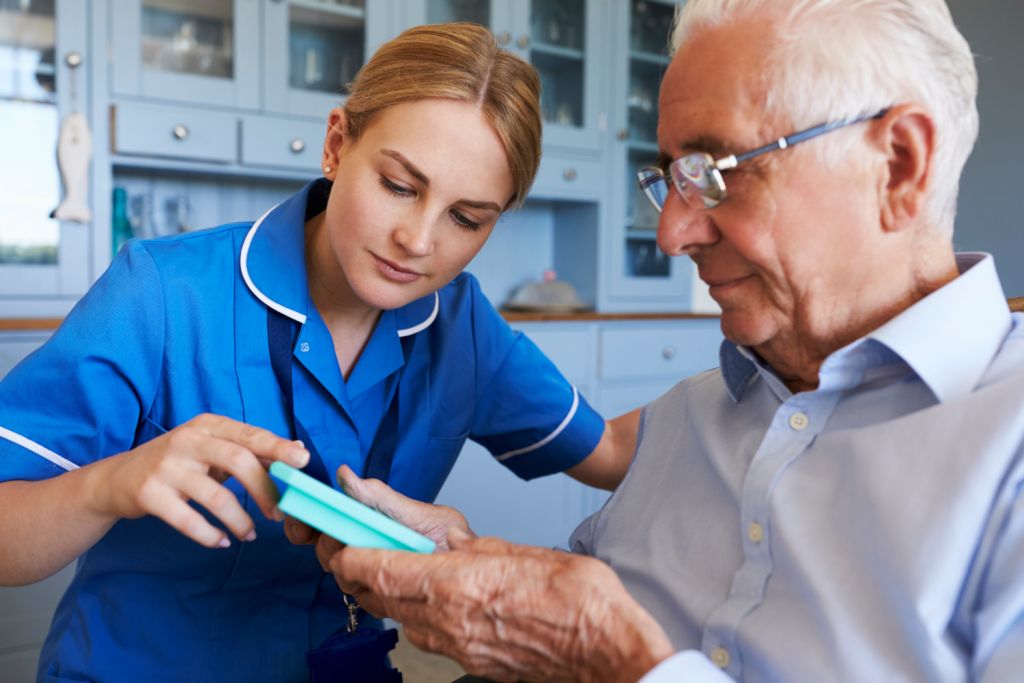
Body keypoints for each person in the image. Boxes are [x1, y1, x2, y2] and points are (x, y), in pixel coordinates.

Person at [317, 1, 1024, 681]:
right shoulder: (689, 415)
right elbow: (592, 598)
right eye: (675, 178)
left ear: (898, 163)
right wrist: (477, 564)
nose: (671, 234)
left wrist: (621, 663)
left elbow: (605, 632)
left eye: (714, 173)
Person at [0, 23, 641, 682]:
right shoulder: (162, 293)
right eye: (399, 184)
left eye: (466, 219)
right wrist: (109, 484)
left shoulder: (464, 327)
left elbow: (616, 451)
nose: (418, 239)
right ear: (337, 145)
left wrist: (754, 363)